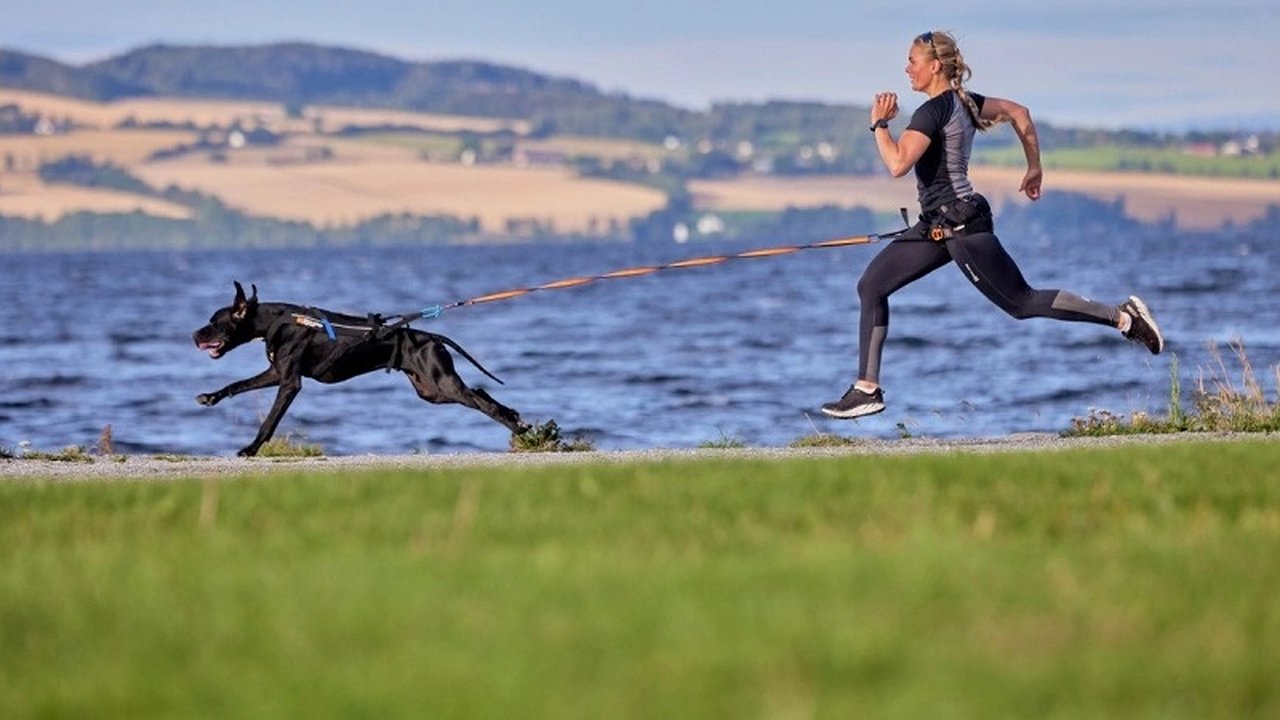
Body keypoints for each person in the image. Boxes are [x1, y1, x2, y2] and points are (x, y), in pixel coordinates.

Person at [821, 30, 1164, 419]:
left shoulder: (933, 111)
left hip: (961, 225)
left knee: (1021, 302)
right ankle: (867, 388)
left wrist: (879, 125)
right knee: (872, 285)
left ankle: (1122, 316)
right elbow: (1020, 112)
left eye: (912, 62)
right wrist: (1034, 166)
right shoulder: (967, 103)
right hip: (937, 224)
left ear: (934, 67)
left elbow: (898, 164)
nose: (906, 69)